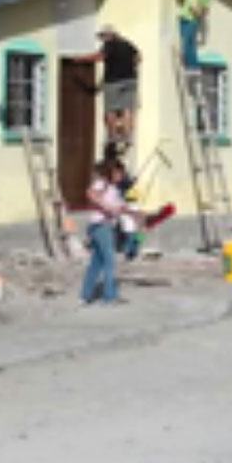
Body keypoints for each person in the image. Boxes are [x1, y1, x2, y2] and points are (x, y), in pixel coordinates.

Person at [82, 159, 127, 305]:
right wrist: (107, 207)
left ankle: (85, 295)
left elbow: (118, 207)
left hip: (106, 225)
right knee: (109, 261)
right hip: (101, 225)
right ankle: (109, 297)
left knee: (96, 262)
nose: (121, 176)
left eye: (122, 173)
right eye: (119, 173)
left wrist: (120, 209)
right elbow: (90, 193)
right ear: (112, 172)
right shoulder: (102, 183)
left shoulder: (115, 189)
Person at [88, 24, 141, 147]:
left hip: (113, 81)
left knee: (110, 109)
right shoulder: (127, 44)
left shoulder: (109, 45)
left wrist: (82, 60)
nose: (101, 39)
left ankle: (112, 135)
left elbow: (99, 57)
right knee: (127, 108)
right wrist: (129, 66)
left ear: (109, 35)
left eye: (102, 36)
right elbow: (138, 57)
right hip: (130, 80)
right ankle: (127, 136)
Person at [174, 0, 212, 71]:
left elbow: (205, 10)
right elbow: (181, 3)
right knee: (190, 45)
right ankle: (192, 67)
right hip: (183, 19)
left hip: (193, 20)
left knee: (186, 42)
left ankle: (191, 67)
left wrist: (197, 11)